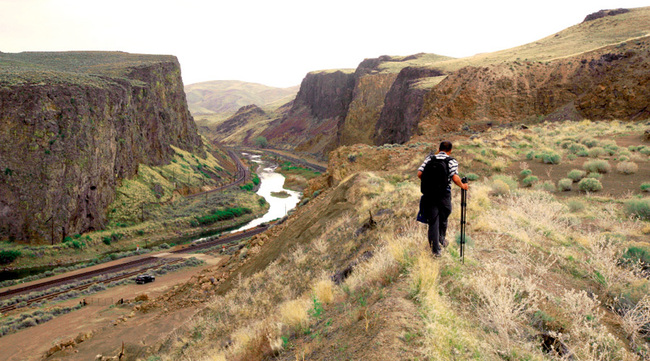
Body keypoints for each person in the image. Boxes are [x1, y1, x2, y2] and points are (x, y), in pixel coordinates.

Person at [417, 140, 469, 257]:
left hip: (429, 194)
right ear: (450, 151)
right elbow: (455, 178)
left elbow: (420, 174)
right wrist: (463, 186)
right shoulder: (451, 161)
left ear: (439, 149)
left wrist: (429, 184)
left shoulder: (429, 159)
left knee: (433, 221)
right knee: (444, 215)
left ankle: (435, 251)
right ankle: (441, 238)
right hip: (443, 194)